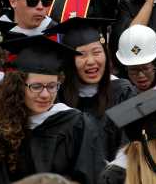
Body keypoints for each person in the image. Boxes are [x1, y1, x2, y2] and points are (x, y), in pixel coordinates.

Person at [0, 36, 105, 183]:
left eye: (52, 86)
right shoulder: (3, 127)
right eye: (36, 86)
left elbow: (91, 176)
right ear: (18, 87)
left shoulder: (76, 125)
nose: (45, 95)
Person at [44, 17, 137, 161]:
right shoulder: (58, 99)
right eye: (82, 55)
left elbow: (130, 143)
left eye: (96, 52)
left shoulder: (122, 92)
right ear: (69, 61)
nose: (91, 61)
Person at [115, 24, 156, 92]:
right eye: (134, 70)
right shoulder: (119, 94)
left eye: (145, 68)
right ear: (126, 69)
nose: (141, 75)